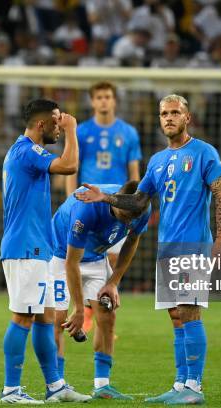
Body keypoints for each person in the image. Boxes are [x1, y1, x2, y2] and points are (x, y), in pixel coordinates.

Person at [76, 94, 221, 405]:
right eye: (164, 113)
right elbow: (138, 202)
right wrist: (104, 198)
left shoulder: (204, 153)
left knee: (189, 311)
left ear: (187, 117)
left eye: (175, 112)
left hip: (193, 245)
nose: (169, 118)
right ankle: (180, 384)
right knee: (175, 315)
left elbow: (220, 194)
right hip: (167, 247)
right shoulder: (158, 161)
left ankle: (194, 387)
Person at [0, 99, 90, 404]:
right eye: (55, 121)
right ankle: (11, 390)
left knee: (45, 317)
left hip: (37, 246)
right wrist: (73, 131)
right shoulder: (27, 151)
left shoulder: (25, 152)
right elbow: (69, 165)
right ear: (41, 125)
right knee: (23, 316)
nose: (59, 125)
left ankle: (55, 386)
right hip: (25, 247)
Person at [52, 181, 151, 400]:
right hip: (60, 254)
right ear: (113, 199)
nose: (127, 221)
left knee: (108, 315)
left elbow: (132, 241)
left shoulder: (141, 207)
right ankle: (57, 385)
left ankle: (102, 386)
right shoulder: (86, 208)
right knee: (58, 318)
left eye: (131, 218)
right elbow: (71, 263)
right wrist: (79, 309)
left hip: (96, 258)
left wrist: (113, 282)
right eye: (123, 216)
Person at [66, 81, 142, 331]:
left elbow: (133, 173)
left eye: (108, 96)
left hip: (117, 207)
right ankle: (87, 311)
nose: (103, 101)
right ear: (92, 101)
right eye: (99, 97)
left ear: (114, 100)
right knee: (79, 256)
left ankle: (95, 314)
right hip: (88, 204)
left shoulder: (129, 133)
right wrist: (71, 199)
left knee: (111, 258)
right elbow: (72, 169)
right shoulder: (83, 132)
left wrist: (136, 201)